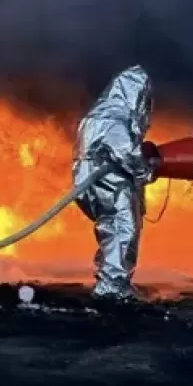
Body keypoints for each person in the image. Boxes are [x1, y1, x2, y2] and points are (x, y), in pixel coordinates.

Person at [72, 65, 155, 301]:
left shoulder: (96, 116)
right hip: (111, 185)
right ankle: (113, 284)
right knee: (123, 229)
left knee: (111, 228)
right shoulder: (115, 119)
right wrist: (146, 171)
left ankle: (111, 279)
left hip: (92, 184)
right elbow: (127, 153)